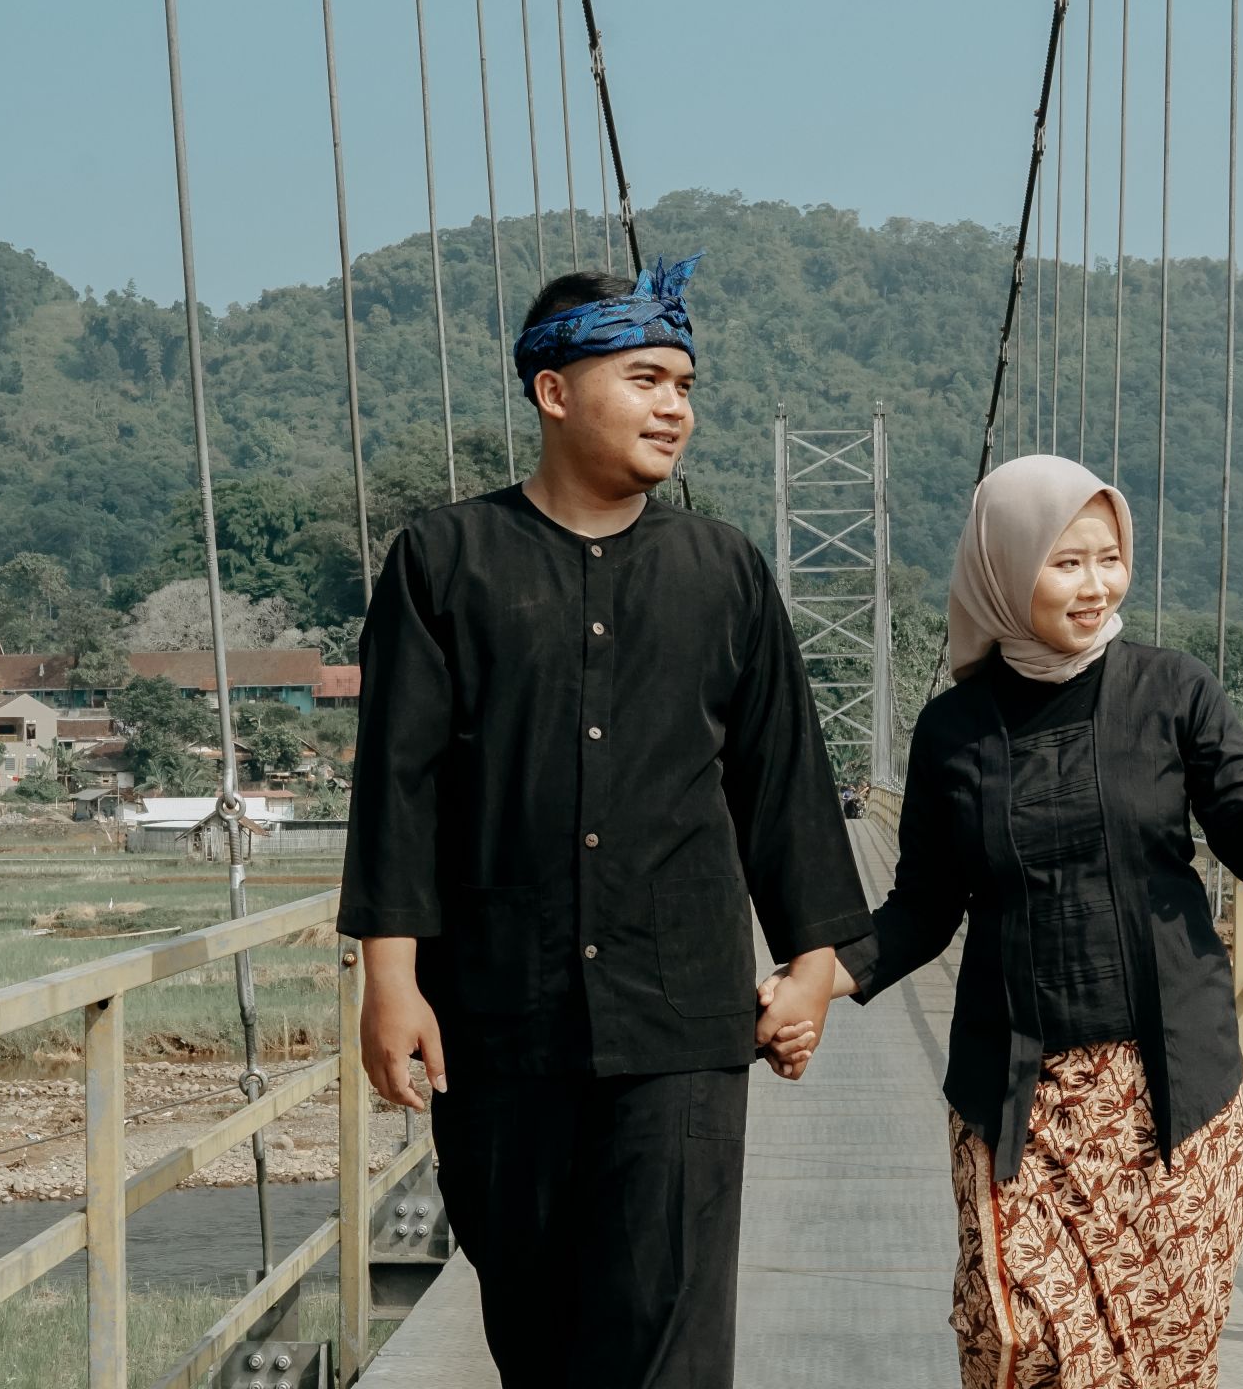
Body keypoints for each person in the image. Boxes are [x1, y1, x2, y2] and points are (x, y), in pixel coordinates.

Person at [340, 254, 871, 1389]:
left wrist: (815, 967)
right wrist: (389, 981)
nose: (676, 407)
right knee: (538, 1345)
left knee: (671, 1347)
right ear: (553, 390)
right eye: (645, 379)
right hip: (499, 1021)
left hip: (680, 1022)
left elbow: (782, 781)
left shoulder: (723, 569)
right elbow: (397, 787)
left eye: (686, 385)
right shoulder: (443, 560)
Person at [762, 453, 1243, 1389]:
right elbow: (921, 910)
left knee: (1162, 1360)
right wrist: (816, 979)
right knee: (1021, 1343)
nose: (1096, 586)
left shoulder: (1174, 692)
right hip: (1017, 1102)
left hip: (1170, 1095)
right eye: (1066, 562)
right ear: (1005, 570)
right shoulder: (954, 731)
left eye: (1109, 559)